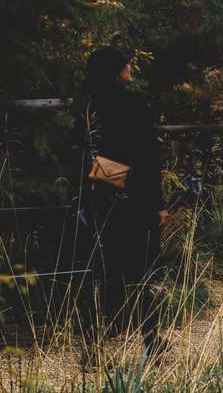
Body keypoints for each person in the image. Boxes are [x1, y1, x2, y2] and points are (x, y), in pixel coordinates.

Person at [78, 45, 167, 361]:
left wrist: (103, 180)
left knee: (105, 276)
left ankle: (94, 345)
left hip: (99, 201)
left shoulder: (88, 108)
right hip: (136, 202)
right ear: (116, 72)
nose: (131, 67)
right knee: (146, 274)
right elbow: (148, 160)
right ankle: (151, 340)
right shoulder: (133, 108)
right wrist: (157, 203)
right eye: (127, 64)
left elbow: (84, 159)